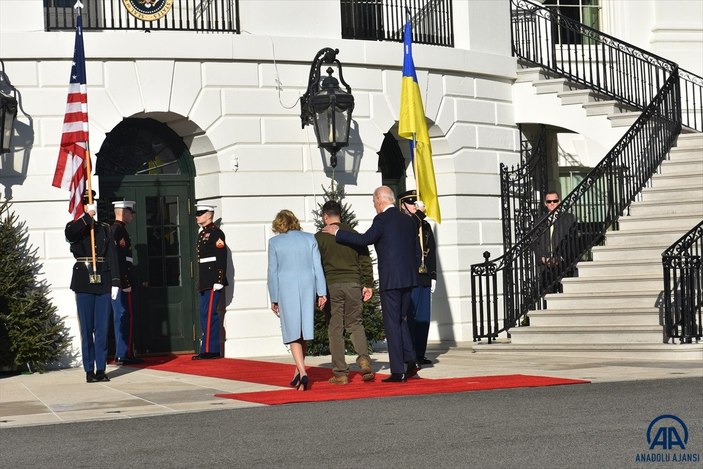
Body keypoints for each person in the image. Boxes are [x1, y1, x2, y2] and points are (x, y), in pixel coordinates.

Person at [321, 186, 420, 383]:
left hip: (391, 280)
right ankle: (411, 363)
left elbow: (365, 239)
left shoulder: (382, 219)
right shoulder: (408, 220)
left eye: (374, 202)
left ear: (380, 200)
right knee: (401, 320)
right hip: (408, 279)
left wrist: (337, 232)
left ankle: (398, 371)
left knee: (392, 324)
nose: (374, 205)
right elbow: (416, 251)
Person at [315, 201, 375, 385]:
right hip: (353, 284)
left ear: (325, 216)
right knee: (355, 324)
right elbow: (365, 260)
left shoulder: (319, 238)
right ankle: (364, 360)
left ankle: (341, 373)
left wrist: (318, 292)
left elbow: (315, 266)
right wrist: (368, 284)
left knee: (335, 328)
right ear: (340, 215)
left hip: (332, 286)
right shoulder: (353, 234)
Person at [65, 190, 121, 383]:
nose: (92, 205)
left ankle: (101, 368)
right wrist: (86, 219)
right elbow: (71, 235)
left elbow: (112, 255)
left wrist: (115, 281)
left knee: (102, 328)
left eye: (93, 202)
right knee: (87, 328)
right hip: (84, 280)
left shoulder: (104, 228)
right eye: (88, 202)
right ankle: (89, 369)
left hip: (103, 279)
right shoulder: (75, 227)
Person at [267, 210, 327, 391]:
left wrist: (274, 297)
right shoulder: (309, 239)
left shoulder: (275, 242)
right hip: (308, 287)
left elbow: (272, 272)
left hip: (286, 288)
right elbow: (318, 267)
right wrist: (322, 292)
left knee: (292, 331)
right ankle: (298, 373)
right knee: (303, 329)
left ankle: (302, 372)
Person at [398, 190, 437, 366]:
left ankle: (420, 353)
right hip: (410, 275)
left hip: (424, 276)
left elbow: (432, 250)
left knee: (423, 318)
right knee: (411, 318)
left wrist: (433, 274)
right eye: (412, 204)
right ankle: (410, 355)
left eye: (416, 204)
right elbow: (408, 230)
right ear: (403, 206)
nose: (415, 207)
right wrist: (419, 215)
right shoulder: (404, 223)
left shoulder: (425, 225)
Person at [192, 204, 229, 360]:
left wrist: (219, 279)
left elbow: (221, 256)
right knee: (203, 314)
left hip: (213, 279)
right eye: (197, 213)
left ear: (209, 215)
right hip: (205, 280)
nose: (197, 216)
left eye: (200, 213)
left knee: (209, 314)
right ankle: (206, 348)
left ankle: (211, 350)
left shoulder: (216, 233)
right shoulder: (203, 234)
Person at [110, 200, 143, 365]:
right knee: (124, 316)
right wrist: (124, 281)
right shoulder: (117, 231)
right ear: (124, 212)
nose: (132, 216)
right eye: (131, 212)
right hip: (123, 283)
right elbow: (118, 261)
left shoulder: (120, 230)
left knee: (123, 316)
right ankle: (124, 353)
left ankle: (124, 352)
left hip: (123, 281)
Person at [536, 191, 577, 295]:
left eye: (555, 201)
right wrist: (542, 257)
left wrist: (561, 258)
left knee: (565, 294)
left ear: (559, 202)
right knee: (547, 295)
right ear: (545, 203)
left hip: (563, 263)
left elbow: (572, 241)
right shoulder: (540, 221)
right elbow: (535, 243)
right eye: (549, 201)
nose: (552, 203)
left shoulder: (568, 218)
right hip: (545, 265)